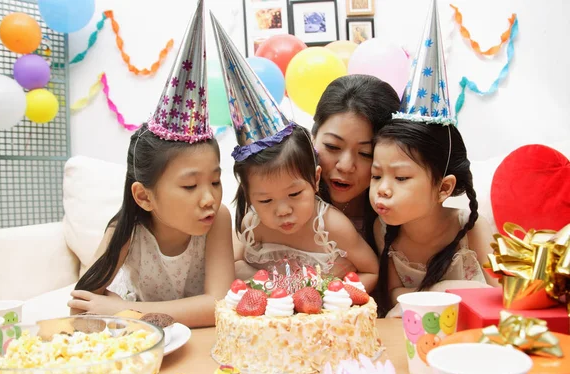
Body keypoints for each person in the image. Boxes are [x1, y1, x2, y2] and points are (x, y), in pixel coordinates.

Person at [68, 1, 235, 328]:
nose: (209, 198)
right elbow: (81, 305)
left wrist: (126, 313)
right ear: (144, 196)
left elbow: (219, 304)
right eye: (190, 185)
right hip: (146, 343)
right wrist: (118, 313)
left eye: (215, 181)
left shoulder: (217, 219)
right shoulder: (127, 228)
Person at [209, 15, 378, 288]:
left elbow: (371, 271)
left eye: (365, 152)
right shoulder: (252, 223)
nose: (283, 210)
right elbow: (235, 266)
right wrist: (271, 286)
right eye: (265, 200)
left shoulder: (333, 227)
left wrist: (334, 296)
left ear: (314, 178)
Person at [371, 0, 497, 318]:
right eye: (376, 176)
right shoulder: (384, 230)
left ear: (443, 188)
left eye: (400, 178)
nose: (382, 189)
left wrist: (438, 292)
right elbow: (394, 293)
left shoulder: (471, 229)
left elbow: (501, 296)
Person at [311, 75, 400, 252]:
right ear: (313, 138)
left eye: (366, 153)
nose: (345, 166)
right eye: (332, 146)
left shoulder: (400, 215)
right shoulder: (281, 190)